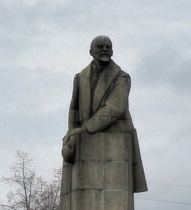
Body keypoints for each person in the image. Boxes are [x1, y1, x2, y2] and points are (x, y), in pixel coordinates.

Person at [62, 34, 147, 193]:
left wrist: (85, 129)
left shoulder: (122, 77)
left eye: (108, 47)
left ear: (112, 51)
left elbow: (115, 107)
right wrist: (71, 133)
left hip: (116, 137)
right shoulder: (80, 77)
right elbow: (74, 109)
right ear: (91, 51)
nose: (104, 50)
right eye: (100, 47)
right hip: (84, 139)